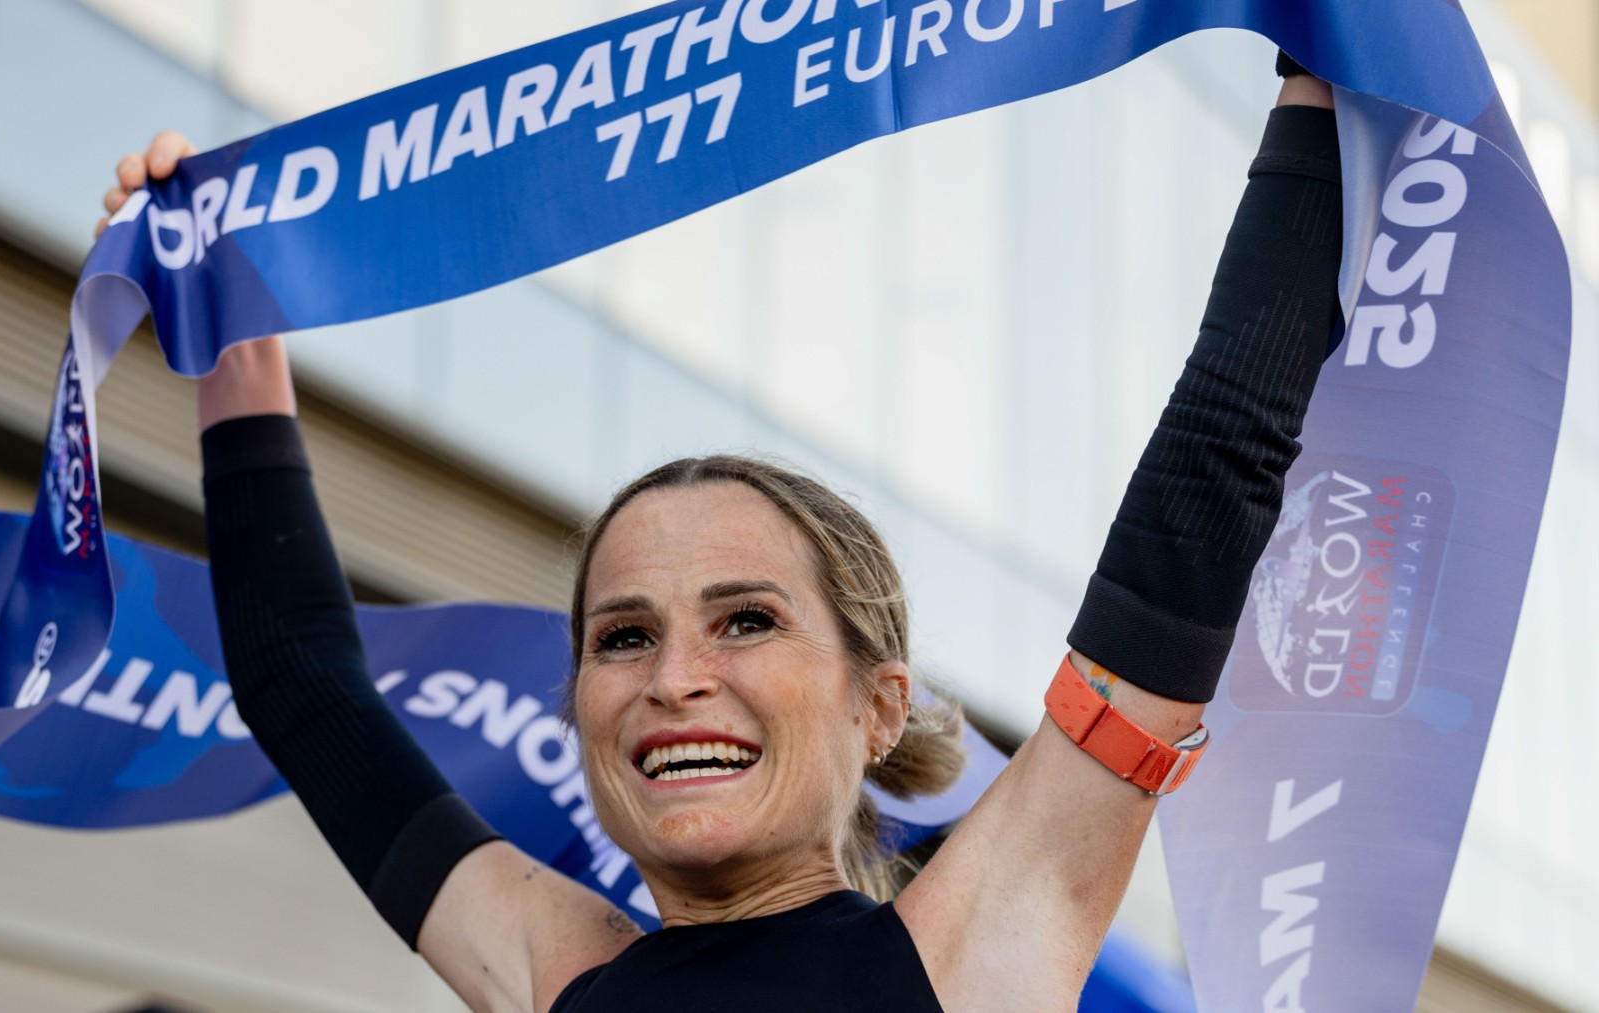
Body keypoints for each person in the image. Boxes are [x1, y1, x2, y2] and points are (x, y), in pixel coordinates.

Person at [98, 62, 1341, 1011]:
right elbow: (300, 683)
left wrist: (1318, 93)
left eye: (747, 617)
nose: (675, 677)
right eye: (624, 634)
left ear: (877, 704)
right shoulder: (555, 965)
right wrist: (235, 331)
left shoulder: (977, 946)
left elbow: (1216, 463)